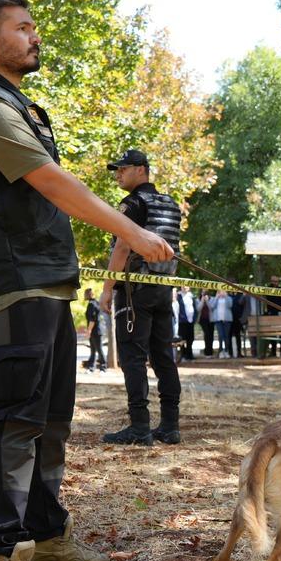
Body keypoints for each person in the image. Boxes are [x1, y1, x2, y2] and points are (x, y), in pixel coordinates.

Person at [0, 0, 173, 561]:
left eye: (34, 28)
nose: (34, 37)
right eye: (22, 29)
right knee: (14, 418)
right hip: (13, 282)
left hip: (47, 281)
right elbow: (50, 181)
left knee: (50, 421)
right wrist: (131, 231)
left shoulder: (18, 104)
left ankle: (46, 537)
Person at [99, 148, 183, 446]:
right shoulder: (171, 204)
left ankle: (139, 427)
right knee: (163, 357)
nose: (118, 173)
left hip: (136, 290)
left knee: (133, 357)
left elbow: (121, 248)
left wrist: (107, 289)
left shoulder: (133, 203)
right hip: (164, 288)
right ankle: (170, 426)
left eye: (123, 168)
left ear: (141, 170)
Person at [83, 288, 105, 372]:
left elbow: (92, 319)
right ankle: (91, 367)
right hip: (95, 331)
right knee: (93, 350)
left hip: (96, 331)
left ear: (88, 294)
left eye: (85, 294)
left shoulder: (92, 304)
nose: (84, 295)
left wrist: (89, 331)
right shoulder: (96, 303)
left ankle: (103, 367)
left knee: (99, 349)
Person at [209, 289, 233, 358]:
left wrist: (226, 296)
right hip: (218, 320)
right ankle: (220, 351)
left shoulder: (229, 298)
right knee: (220, 335)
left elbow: (230, 305)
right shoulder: (215, 298)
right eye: (220, 291)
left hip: (227, 320)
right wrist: (216, 297)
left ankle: (226, 351)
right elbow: (212, 306)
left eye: (223, 291)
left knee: (226, 336)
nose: (221, 293)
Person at [264, 275, 281, 357]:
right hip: (272, 314)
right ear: (271, 281)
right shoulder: (268, 289)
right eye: (274, 281)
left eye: (277, 281)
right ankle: (273, 352)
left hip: (279, 314)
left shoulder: (280, 289)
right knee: (272, 333)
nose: (276, 283)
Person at [176, 286, 196, 360]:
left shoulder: (191, 295)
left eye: (186, 286)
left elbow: (194, 307)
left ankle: (190, 355)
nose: (185, 287)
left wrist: (195, 318)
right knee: (182, 339)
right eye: (183, 286)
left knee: (190, 339)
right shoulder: (178, 296)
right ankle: (183, 355)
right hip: (182, 321)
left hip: (190, 321)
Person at [198, 290, 215, 357]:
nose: (204, 295)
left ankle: (210, 352)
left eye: (205, 294)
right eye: (203, 293)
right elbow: (198, 309)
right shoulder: (198, 300)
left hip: (211, 320)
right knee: (207, 334)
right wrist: (202, 301)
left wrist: (207, 301)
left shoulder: (212, 299)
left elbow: (211, 308)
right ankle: (207, 352)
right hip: (202, 320)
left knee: (211, 335)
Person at [230, 291, 246, 358]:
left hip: (238, 319)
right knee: (229, 336)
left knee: (238, 336)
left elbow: (243, 306)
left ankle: (239, 353)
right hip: (229, 319)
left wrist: (242, 318)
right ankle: (230, 353)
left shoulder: (241, 295)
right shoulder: (228, 295)